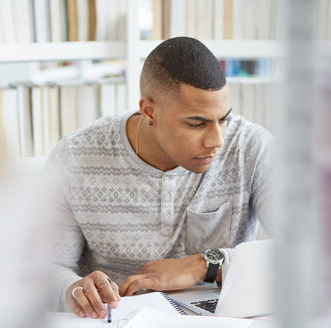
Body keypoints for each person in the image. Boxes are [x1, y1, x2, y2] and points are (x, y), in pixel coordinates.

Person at [44, 37, 273, 319]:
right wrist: (73, 289)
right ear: (150, 111)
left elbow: (315, 249)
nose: (217, 140)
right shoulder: (74, 157)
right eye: (197, 123)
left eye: (224, 118)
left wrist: (206, 265)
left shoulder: (252, 147)